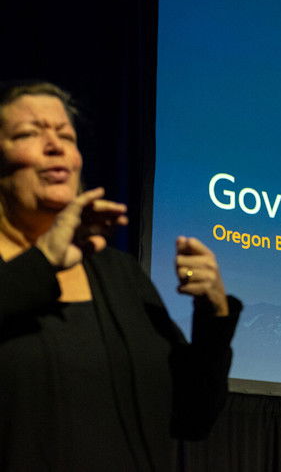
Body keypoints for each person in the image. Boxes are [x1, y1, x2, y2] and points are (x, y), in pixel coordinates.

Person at [0, 81, 241, 471]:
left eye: (66, 135)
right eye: (28, 133)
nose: (55, 145)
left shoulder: (118, 273)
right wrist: (43, 261)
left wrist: (213, 312)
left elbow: (192, 417)